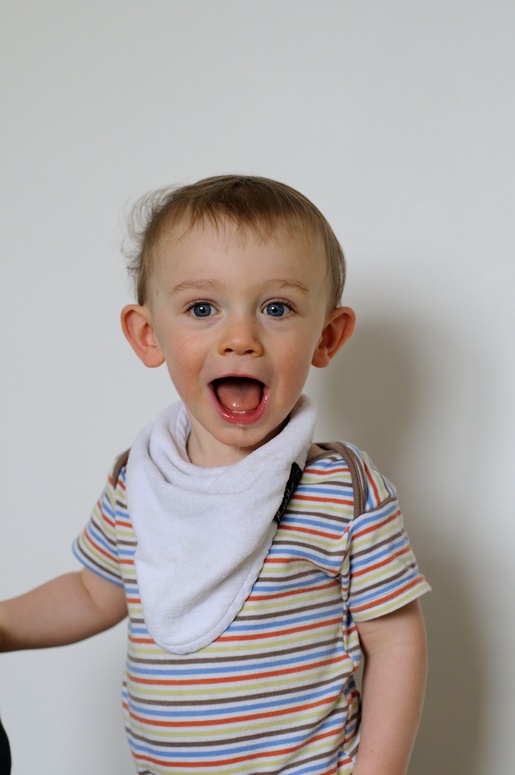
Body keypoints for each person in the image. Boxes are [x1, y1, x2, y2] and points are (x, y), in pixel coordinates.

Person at [0, 175, 430, 774]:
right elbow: (93, 593)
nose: (240, 339)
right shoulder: (138, 481)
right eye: (202, 309)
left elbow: (396, 641)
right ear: (148, 335)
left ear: (326, 337)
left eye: (276, 308)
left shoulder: (342, 490)